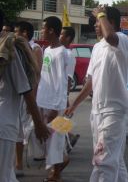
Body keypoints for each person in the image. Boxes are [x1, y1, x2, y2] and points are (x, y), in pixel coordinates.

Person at [65, 6, 128, 182]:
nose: (95, 25)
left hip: (114, 110)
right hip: (97, 111)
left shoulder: (123, 40)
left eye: (98, 21)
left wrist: (101, 13)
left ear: (110, 22)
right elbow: (90, 82)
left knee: (104, 160)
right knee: (114, 159)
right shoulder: (96, 47)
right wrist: (74, 104)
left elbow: (110, 37)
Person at [0, 11, 49, 182]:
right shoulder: (9, 49)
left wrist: (38, 122)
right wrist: (39, 124)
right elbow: (25, 89)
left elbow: (28, 87)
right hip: (5, 125)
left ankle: (19, 164)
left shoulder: (11, 50)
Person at [36, 16, 71, 181]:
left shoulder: (63, 52)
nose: (41, 31)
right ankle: (64, 156)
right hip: (43, 100)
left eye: (43, 28)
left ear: (51, 30)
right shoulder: (47, 50)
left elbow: (62, 82)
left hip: (55, 104)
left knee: (54, 139)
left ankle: (56, 174)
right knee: (45, 138)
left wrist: (56, 109)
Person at [59, 26, 80, 152]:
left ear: (68, 38)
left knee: (57, 120)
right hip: (53, 93)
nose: (59, 36)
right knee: (56, 120)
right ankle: (69, 137)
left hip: (61, 94)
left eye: (61, 34)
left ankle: (69, 138)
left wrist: (66, 97)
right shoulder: (57, 50)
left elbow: (68, 78)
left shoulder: (69, 54)